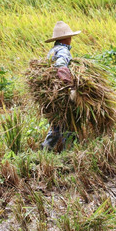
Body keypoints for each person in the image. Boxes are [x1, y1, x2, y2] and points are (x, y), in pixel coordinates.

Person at [40, 21, 82, 151]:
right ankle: (69, 151)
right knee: (69, 120)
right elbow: (61, 65)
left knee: (57, 123)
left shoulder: (53, 50)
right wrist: (69, 85)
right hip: (61, 91)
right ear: (66, 38)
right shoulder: (63, 50)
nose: (70, 39)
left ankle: (46, 149)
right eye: (69, 37)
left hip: (52, 91)